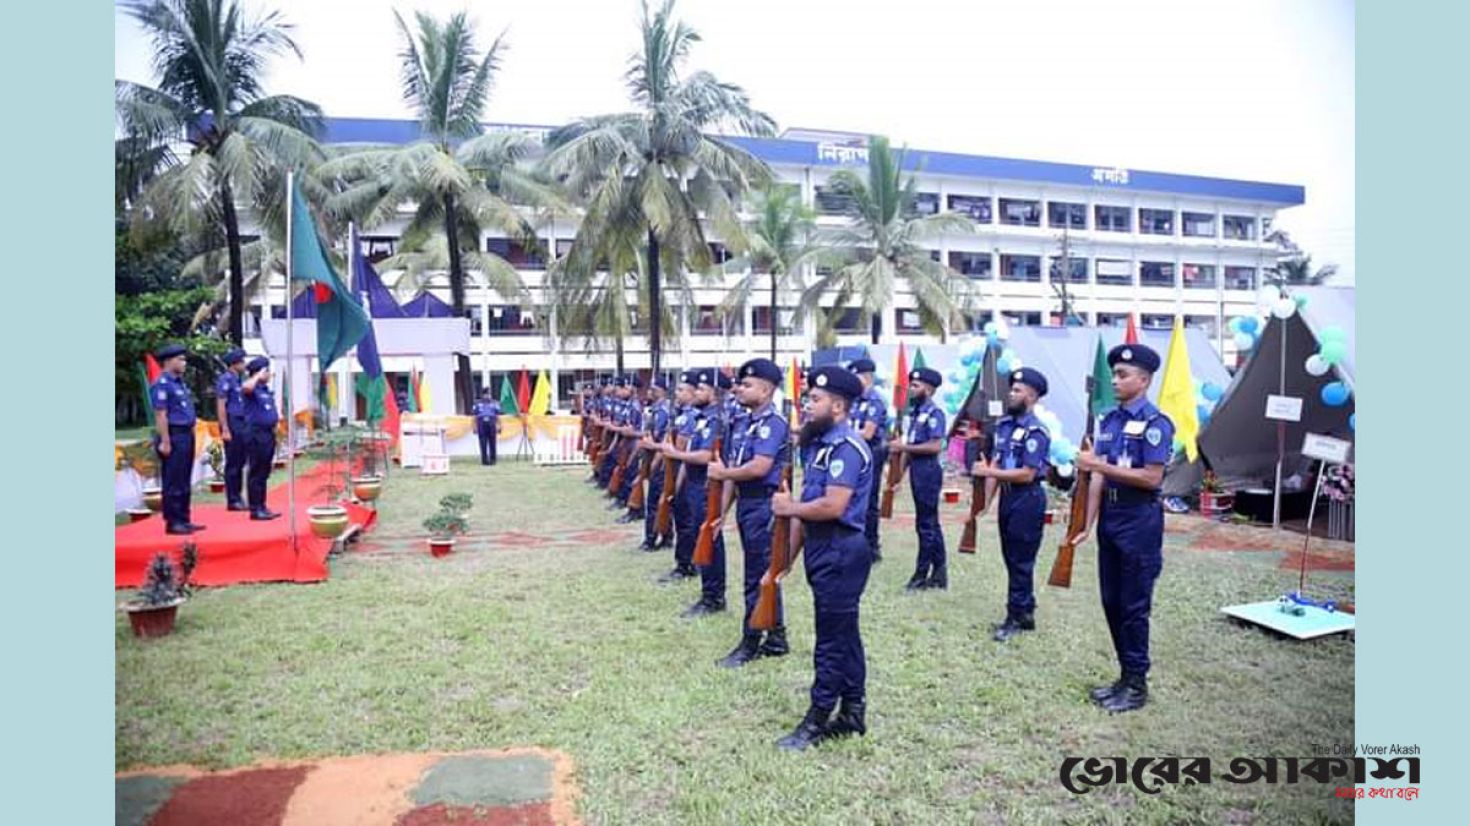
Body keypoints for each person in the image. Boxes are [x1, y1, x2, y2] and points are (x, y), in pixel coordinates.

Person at [771, 365, 873, 750]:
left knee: (830, 640)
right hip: (821, 547)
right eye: (808, 397)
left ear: (839, 405)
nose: (808, 404)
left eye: (816, 399)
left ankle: (817, 719)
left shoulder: (846, 448)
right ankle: (852, 711)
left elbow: (831, 506)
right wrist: (786, 559)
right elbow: (805, 509)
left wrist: (788, 508)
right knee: (844, 634)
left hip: (841, 549)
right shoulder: (819, 446)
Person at [1070, 344, 1175, 714]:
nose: (1115, 380)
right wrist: (1087, 524)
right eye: (1114, 374)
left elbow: (1150, 476)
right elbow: (1098, 477)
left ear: (1144, 381)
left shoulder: (1155, 424)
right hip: (1112, 518)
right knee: (1111, 600)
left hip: (1139, 518)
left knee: (1133, 605)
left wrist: (1096, 464)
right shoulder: (1109, 421)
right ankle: (1124, 675)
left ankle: (1136, 684)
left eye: (1123, 375)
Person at [708, 358, 791, 667]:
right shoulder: (742, 423)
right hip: (746, 502)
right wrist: (721, 512)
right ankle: (777, 636)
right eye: (740, 384)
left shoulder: (774, 423)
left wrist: (723, 475)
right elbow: (731, 472)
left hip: (764, 504)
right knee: (762, 573)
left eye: (747, 385)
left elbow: (758, 468)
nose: (739, 389)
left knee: (756, 576)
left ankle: (751, 642)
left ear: (767, 389)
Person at [970, 368, 1052, 642]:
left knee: (1021, 559)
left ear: (1032, 396)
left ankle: (1015, 617)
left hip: (1028, 497)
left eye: (1018, 390)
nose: (1011, 394)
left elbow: (1027, 473)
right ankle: (1024, 611)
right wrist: (984, 504)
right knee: (1011, 556)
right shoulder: (1004, 426)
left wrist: (989, 474)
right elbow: (995, 464)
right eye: (1012, 389)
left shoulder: (1036, 430)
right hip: (1008, 497)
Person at [661, 369, 728, 616]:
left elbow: (706, 455)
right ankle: (708, 592)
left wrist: (675, 454)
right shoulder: (703, 417)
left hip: (707, 486)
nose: (696, 393)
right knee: (702, 536)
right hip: (695, 484)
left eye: (701, 389)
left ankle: (714, 596)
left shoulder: (716, 419)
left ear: (714, 392)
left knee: (710, 539)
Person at [890, 367, 948, 590]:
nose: (911, 390)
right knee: (929, 521)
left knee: (926, 524)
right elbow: (910, 448)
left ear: (929, 389)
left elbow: (934, 446)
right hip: (916, 468)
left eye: (916, 386)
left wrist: (902, 446)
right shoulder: (915, 413)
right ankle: (940, 572)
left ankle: (921, 575)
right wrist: (898, 478)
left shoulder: (934, 413)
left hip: (928, 470)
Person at [151, 343, 205, 535]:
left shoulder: (179, 383)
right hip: (173, 434)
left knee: (183, 478)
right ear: (168, 361)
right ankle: (173, 521)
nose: (184, 363)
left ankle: (184, 518)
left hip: (186, 434)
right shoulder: (162, 384)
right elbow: (161, 415)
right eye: (180, 359)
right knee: (173, 479)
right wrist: (165, 441)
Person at [657, 371, 701, 584]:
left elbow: (681, 448)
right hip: (677, 468)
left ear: (693, 393)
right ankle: (684, 561)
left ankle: (687, 563)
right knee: (681, 518)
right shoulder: (680, 413)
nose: (678, 393)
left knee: (686, 521)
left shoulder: (692, 416)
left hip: (683, 470)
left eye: (682, 390)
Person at [847, 358, 889, 563]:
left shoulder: (875, 401)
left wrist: (843, 433)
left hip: (872, 452)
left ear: (866, 378)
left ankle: (872, 547)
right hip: (855, 452)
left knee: (869, 500)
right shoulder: (854, 401)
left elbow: (868, 433)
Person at [240, 356, 281, 520]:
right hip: (256, 433)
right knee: (256, 471)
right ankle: (255, 509)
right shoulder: (252, 388)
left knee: (264, 471)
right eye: (267, 371)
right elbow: (246, 387)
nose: (269, 374)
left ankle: (262, 505)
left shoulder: (264, 390)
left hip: (267, 433)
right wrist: (256, 375)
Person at [636, 377, 675, 547]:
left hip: (660, 461)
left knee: (656, 501)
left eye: (653, 389)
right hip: (651, 458)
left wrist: (655, 463)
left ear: (661, 390)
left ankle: (653, 538)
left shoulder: (664, 411)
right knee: (656, 500)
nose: (649, 392)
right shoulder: (652, 410)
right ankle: (664, 534)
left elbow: (664, 440)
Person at [214, 347, 249, 511]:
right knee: (233, 462)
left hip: (241, 423)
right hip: (232, 422)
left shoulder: (238, 380)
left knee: (240, 461)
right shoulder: (225, 379)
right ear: (234, 364)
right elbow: (221, 405)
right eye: (242, 361)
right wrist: (225, 428)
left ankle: (238, 496)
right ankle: (232, 499)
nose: (244, 364)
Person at [472, 388, 502, 466]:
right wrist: (474, 427)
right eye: (485, 394)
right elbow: (474, 416)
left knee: (492, 442)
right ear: (482, 395)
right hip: (481, 424)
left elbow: (498, 416)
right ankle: (484, 460)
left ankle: (493, 460)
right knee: (483, 442)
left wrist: (499, 425)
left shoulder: (495, 403)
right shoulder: (477, 404)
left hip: (491, 423)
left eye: (488, 394)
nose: (487, 396)